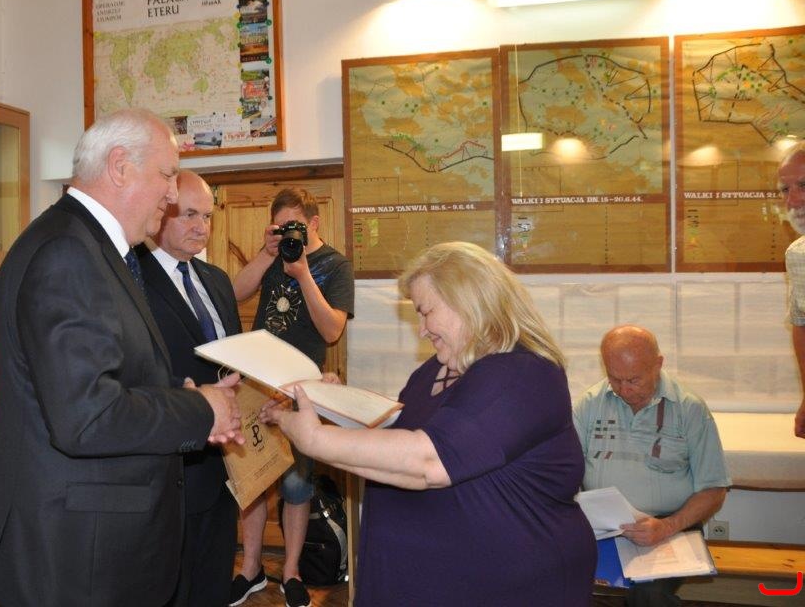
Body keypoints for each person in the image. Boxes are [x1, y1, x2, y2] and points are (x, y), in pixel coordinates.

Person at [0, 108, 243, 607]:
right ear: (120, 166)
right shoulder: (69, 253)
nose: (171, 194)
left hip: (92, 547)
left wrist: (175, 394)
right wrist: (201, 409)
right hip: (77, 559)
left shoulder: (90, 247)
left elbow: (107, 378)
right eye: (166, 175)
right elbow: (87, 416)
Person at [263, 241, 596, 607]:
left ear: (467, 300)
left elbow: (428, 461)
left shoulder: (522, 373)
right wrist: (335, 406)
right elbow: (396, 445)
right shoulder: (432, 372)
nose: (421, 330)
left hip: (509, 588)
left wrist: (314, 438)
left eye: (425, 312)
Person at [229, 187, 354, 607]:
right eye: (279, 227)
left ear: (313, 223)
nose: (287, 235)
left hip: (301, 389)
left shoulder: (335, 265)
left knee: (297, 483)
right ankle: (250, 569)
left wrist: (302, 274)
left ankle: (293, 572)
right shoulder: (272, 255)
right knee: (253, 480)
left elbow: (332, 330)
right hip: (255, 382)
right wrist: (265, 254)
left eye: (294, 226)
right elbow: (234, 293)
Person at [137, 170, 242, 607]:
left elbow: (234, 357)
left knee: (215, 578)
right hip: (174, 464)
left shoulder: (217, 279)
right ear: (161, 213)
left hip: (226, 463)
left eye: (208, 216)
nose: (202, 227)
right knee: (174, 587)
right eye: (190, 215)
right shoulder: (133, 280)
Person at [573, 325, 731, 607]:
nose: (624, 389)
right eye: (615, 379)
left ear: (658, 364)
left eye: (634, 380)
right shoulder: (589, 404)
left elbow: (714, 490)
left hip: (670, 526)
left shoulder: (689, 409)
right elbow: (565, 473)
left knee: (650, 596)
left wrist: (667, 526)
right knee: (554, 576)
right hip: (603, 525)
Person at [778, 139, 805, 438]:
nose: (793, 201)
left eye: (804, 186)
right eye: (786, 189)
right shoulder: (798, 255)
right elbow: (801, 324)